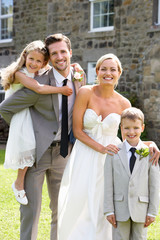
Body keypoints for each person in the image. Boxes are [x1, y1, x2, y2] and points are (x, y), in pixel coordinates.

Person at [57, 53, 160, 240]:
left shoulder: (124, 103)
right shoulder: (85, 92)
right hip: (85, 154)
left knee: (107, 201)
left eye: (113, 69)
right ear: (97, 71)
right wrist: (100, 148)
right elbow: (78, 131)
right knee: (81, 201)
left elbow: (129, 135)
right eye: (103, 68)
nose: (108, 73)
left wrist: (149, 143)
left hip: (113, 157)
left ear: (119, 73)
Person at [0, 33, 86, 240]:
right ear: (50, 58)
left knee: (61, 209)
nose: (60, 57)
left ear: (70, 53)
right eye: (54, 53)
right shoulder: (37, 85)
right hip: (37, 154)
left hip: (64, 153)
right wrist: (26, 132)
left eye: (63, 52)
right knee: (31, 210)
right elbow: (5, 108)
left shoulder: (78, 78)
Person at [104, 107, 160, 240]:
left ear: (142, 128)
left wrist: (152, 211)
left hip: (141, 209)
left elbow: (155, 185)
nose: (131, 132)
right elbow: (108, 183)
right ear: (121, 128)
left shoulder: (150, 153)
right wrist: (109, 210)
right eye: (127, 128)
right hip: (119, 209)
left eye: (135, 127)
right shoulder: (113, 152)